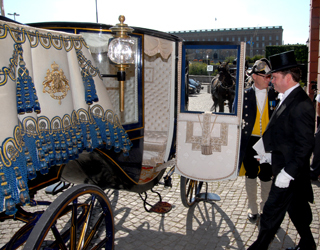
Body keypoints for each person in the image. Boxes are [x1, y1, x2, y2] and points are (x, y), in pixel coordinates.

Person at [248, 50, 316, 250]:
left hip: (288, 172)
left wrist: (287, 173)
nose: (271, 82)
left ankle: (258, 247)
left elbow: (305, 145)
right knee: (297, 212)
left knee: (270, 213)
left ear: (287, 77)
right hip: (284, 168)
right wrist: (268, 154)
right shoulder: (287, 96)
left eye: (274, 77)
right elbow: (285, 135)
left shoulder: (301, 103)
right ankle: (308, 245)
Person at [239, 58, 278, 223]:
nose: (268, 79)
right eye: (265, 76)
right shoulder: (244, 95)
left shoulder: (276, 94)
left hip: (268, 142)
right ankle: (252, 208)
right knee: (251, 174)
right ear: (255, 76)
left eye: (270, 76)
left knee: (267, 176)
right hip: (250, 142)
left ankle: (265, 209)